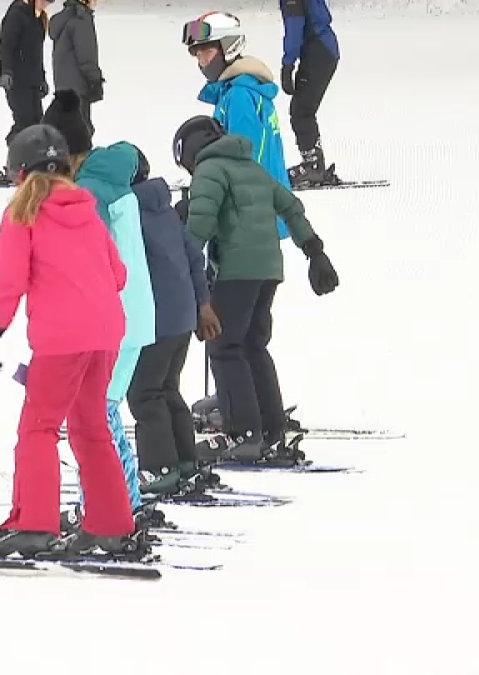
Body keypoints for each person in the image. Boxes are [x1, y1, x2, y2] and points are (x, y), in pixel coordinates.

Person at [0, 124, 137, 556]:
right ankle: (111, 525)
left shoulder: (23, 213)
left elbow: (10, 280)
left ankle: (34, 524)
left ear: (18, 173)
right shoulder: (86, 207)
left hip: (62, 340)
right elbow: (119, 275)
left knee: (38, 427)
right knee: (91, 429)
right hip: (106, 335)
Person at [173, 115, 339, 464]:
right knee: (253, 346)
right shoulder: (253, 168)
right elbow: (290, 206)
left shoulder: (210, 170)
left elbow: (200, 225)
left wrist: (180, 260)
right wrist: (314, 251)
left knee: (224, 346)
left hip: (236, 270)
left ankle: (243, 433)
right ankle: (272, 429)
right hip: (267, 271)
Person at [42, 90, 155, 514]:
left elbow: (89, 262)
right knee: (103, 415)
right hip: (133, 316)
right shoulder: (110, 177)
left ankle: (109, 508)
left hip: (112, 322)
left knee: (94, 422)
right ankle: (123, 502)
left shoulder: (89, 192)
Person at [126, 147, 222, 495]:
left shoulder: (126, 212)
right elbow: (193, 256)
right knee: (167, 389)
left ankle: (159, 468)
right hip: (181, 314)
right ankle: (184, 461)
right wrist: (201, 304)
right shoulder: (163, 208)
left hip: (154, 316)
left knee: (145, 393)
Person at [183, 11, 289, 237]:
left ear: (229, 47)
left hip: (252, 213)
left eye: (208, 52)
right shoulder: (233, 91)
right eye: (198, 54)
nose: (202, 62)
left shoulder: (240, 96)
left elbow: (243, 157)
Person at [279, 0, 341, 187]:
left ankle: (313, 166)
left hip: (319, 51)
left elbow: (294, 28)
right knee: (302, 109)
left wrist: (288, 64)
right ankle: (314, 163)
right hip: (322, 48)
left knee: (301, 110)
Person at [0, 0, 53, 186]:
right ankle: (13, 169)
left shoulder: (37, 19)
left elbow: (36, 54)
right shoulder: (17, 14)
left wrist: (41, 78)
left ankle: (28, 168)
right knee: (24, 123)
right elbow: (6, 46)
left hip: (32, 82)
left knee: (36, 124)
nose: (47, 4)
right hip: (17, 82)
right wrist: (6, 72)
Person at [48, 0, 104, 134]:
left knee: (68, 131)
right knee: (81, 133)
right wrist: (95, 80)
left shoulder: (63, 19)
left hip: (63, 86)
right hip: (78, 86)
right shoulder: (81, 19)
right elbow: (86, 55)